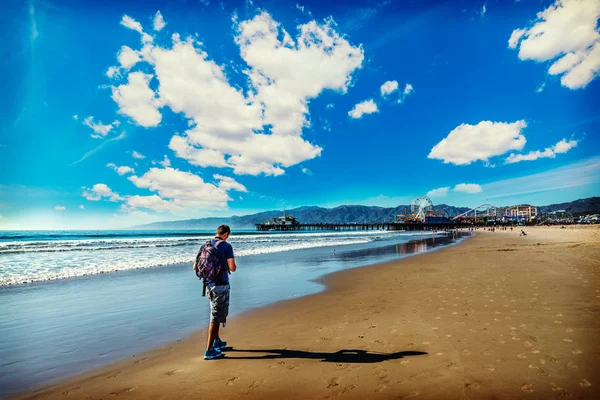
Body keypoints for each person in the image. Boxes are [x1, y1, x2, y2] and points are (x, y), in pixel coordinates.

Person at [202, 225, 237, 360]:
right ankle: (209, 350)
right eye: (228, 235)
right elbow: (232, 268)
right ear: (226, 234)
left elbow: (195, 266)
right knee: (215, 318)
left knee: (214, 311)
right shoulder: (226, 246)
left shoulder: (205, 245)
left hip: (208, 285)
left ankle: (217, 341)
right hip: (220, 285)